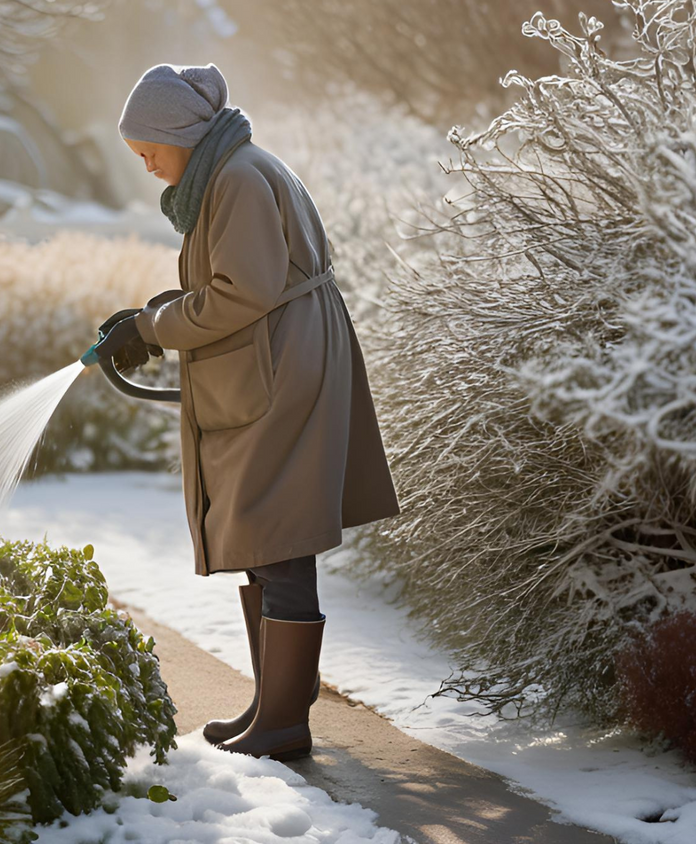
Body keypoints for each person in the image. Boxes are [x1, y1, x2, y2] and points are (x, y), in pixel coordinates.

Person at [93, 63, 401, 761]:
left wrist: (153, 328)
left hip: (282, 369)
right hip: (280, 360)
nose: (143, 163)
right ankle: (274, 703)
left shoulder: (235, 179)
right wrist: (150, 320)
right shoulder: (230, 170)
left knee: (277, 533)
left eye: (147, 148)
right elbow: (239, 284)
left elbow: (240, 294)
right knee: (268, 535)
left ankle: (285, 720)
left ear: (181, 134)